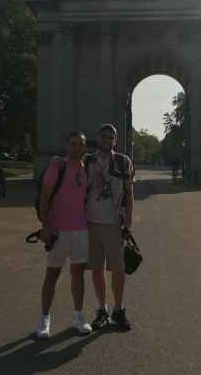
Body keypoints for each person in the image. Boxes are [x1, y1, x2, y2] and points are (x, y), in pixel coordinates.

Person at [36, 131, 92, 339]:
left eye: (80, 144)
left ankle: (78, 316)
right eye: (73, 144)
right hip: (58, 230)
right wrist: (45, 225)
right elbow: (44, 196)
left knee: (78, 275)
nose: (77, 147)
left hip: (80, 230)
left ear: (85, 148)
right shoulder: (57, 166)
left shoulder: (87, 168)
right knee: (52, 276)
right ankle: (44, 318)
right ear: (66, 146)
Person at [85, 124, 135, 331]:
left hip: (115, 223)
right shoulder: (86, 161)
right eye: (104, 136)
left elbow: (129, 194)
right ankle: (102, 310)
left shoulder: (123, 162)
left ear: (115, 141)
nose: (107, 139)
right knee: (96, 269)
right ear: (98, 138)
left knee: (118, 270)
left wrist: (129, 223)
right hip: (90, 223)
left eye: (111, 137)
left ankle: (119, 309)